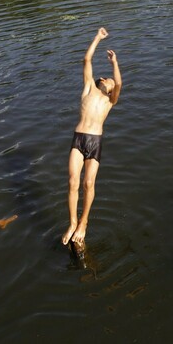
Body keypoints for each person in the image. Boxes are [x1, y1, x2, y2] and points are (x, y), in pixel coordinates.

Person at [61, 27, 122, 248]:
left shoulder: (110, 101)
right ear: (102, 81)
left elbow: (120, 84)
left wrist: (115, 63)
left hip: (95, 142)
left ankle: (84, 223)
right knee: (72, 182)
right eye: (110, 81)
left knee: (88, 183)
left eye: (113, 84)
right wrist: (98, 37)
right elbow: (86, 59)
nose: (112, 83)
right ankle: (72, 222)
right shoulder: (89, 88)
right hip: (78, 139)